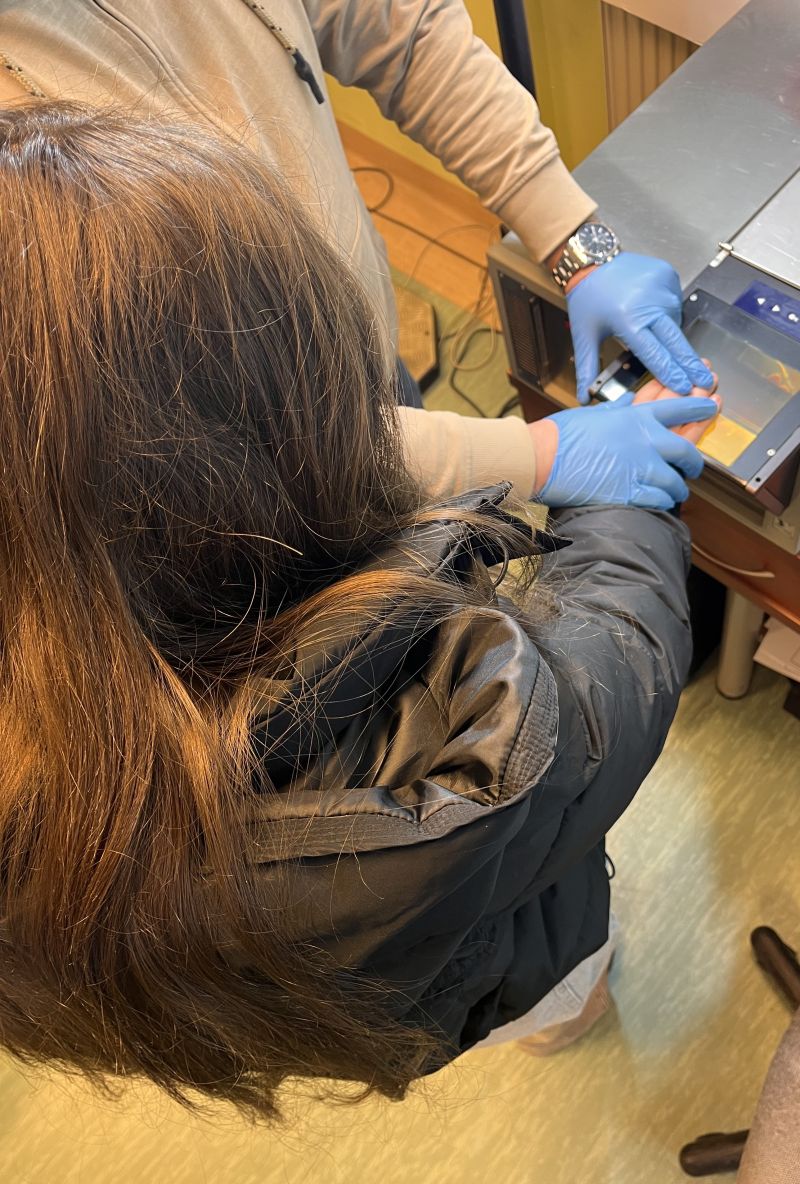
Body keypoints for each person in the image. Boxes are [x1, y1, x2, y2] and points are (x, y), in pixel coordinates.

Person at [0, 102, 720, 1119]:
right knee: (542, 979)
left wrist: (573, 254)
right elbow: (613, 666)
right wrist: (617, 495)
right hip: (484, 954)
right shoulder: (464, 762)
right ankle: (564, 1010)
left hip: (311, 998)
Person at [0, 0, 714, 507]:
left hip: (370, 375)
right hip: (251, 510)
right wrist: (533, 457)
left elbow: (405, 32)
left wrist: (574, 240)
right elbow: (197, 452)